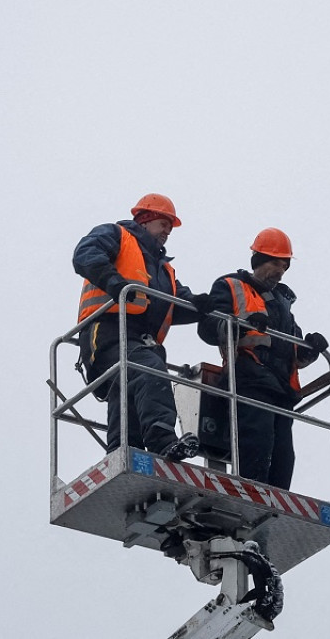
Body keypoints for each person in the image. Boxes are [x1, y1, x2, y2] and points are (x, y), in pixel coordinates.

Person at [73, 193, 216, 460]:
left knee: (127, 387)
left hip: (140, 340)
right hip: (106, 333)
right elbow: (85, 254)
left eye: (170, 229)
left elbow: (177, 301)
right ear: (145, 219)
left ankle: (123, 452)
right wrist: (114, 283)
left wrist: (201, 304)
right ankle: (163, 440)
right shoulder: (116, 235)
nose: (167, 232)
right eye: (164, 224)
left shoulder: (164, 270)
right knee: (147, 370)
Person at [198, 228, 329, 488]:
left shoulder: (283, 306)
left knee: (283, 454)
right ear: (258, 261)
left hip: (282, 390)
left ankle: (276, 503)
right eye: (274, 263)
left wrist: (310, 348)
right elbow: (209, 328)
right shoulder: (231, 286)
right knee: (258, 441)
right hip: (249, 380)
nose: (280, 271)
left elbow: (295, 355)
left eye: (284, 266)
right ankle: (251, 494)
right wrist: (243, 325)